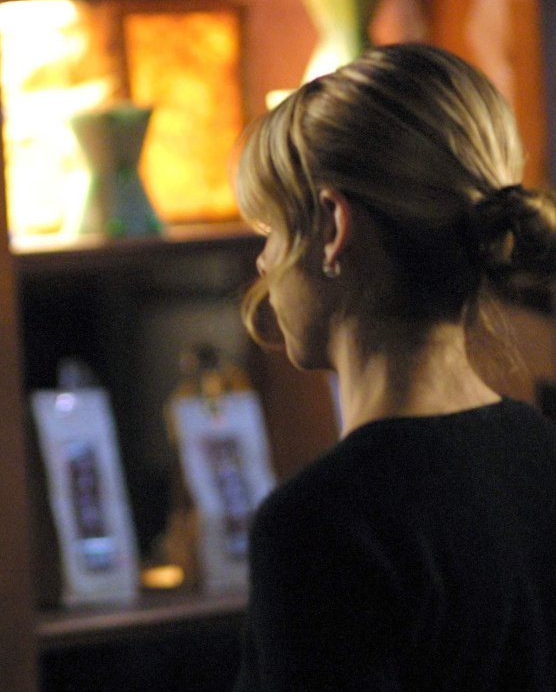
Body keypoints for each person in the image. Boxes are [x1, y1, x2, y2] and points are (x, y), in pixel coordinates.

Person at [233, 42, 556, 689]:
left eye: (271, 228)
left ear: (333, 227)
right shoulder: (544, 455)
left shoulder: (319, 525)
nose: (264, 262)